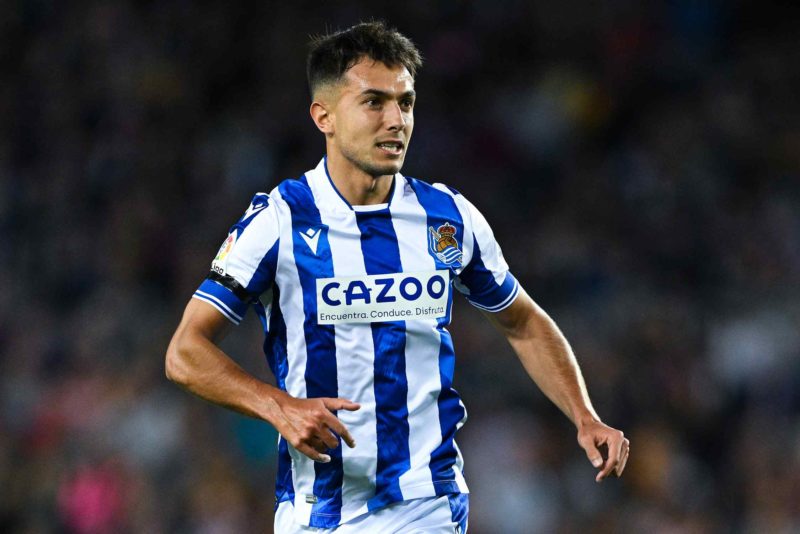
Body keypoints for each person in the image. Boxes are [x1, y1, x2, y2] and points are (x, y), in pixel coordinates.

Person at [165, 21, 629, 534]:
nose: (396, 121)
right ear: (324, 116)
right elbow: (186, 352)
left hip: (425, 502)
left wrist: (584, 415)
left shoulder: (447, 217)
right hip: (314, 511)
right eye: (374, 103)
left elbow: (522, 321)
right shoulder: (279, 222)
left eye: (405, 103)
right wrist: (280, 408)